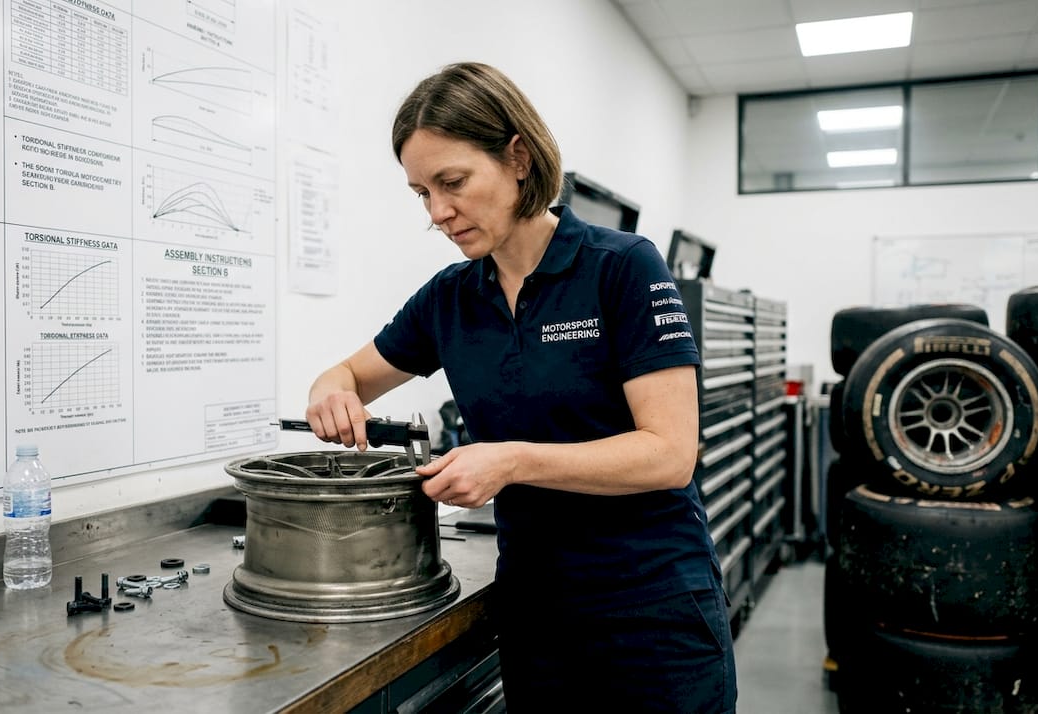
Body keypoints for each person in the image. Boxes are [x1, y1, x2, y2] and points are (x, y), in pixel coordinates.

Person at [303, 61, 736, 713]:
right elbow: (349, 374)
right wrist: (329, 388)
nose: (439, 213)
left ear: (518, 158)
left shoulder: (620, 268)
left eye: (453, 182)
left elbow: (670, 454)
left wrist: (511, 460)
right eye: (422, 193)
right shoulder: (451, 299)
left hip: (652, 614)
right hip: (538, 617)